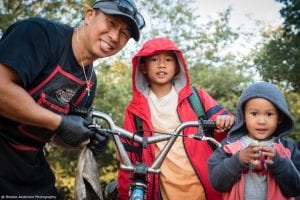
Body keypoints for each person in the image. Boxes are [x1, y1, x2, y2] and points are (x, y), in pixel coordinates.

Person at [0, 0, 145, 197]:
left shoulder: (90, 82)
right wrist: (60, 122)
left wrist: (85, 138)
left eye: (124, 33)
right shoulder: (40, 34)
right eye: (111, 23)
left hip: (28, 163)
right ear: (89, 15)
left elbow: (58, 135)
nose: (114, 36)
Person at [117, 37, 235, 200]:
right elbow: (128, 159)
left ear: (177, 66)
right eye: (154, 59)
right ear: (143, 67)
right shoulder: (135, 110)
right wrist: (124, 195)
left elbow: (227, 126)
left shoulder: (196, 97)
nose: (161, 64)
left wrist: (226, 121)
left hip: (207, 189)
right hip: (165, 191)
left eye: (168, 59)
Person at [208, 81, 300, 200]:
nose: (261, 121)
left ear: (280, 118)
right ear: (243, 116)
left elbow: (296, 188)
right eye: (254, 113)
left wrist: (278, 163)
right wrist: (239, 160)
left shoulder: (288, 149)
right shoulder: (230, 146)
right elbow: (217, 183)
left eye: (269, 114)